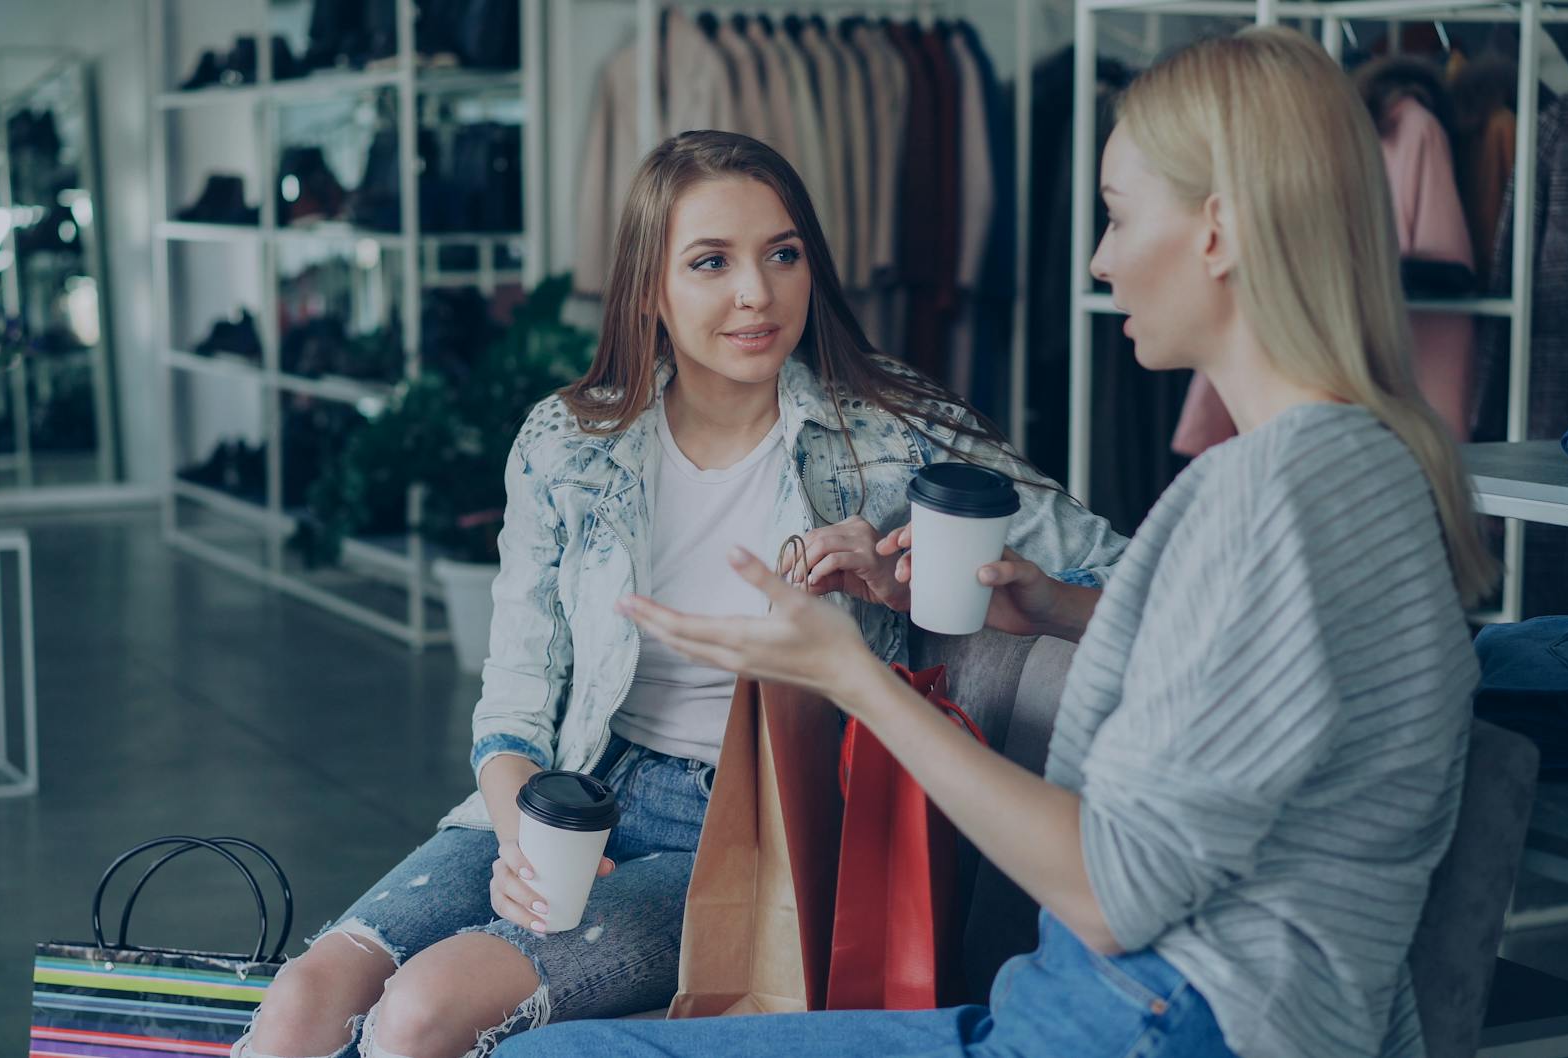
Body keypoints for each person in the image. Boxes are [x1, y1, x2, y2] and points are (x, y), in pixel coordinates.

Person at [497, 27, 1499, 1058]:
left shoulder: (1263, 496)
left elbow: (1112, 896)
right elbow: (1265, 676)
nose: (1100, 258)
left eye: (1113, 217)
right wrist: (1054, 608)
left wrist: (851, 677)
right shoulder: (1365, 460)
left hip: (1151, 1021)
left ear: (1216, 233)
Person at [231, 130, 1124, 1058]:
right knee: (303, 1004)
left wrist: (995, 592)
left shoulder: (892, 432)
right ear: (650, 289)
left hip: (747, 829)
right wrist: (519, 838)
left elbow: (1130, 572)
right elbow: (516, 692)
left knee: (421, 1013)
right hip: (572, 791)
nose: (758, 293)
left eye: (783, 254)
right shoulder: (566, 443)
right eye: (712, 262)